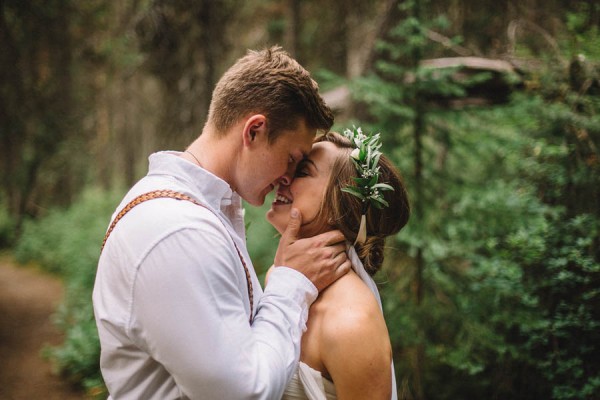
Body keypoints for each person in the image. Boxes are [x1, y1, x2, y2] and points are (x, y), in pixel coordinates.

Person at [93, 46, 352, 399]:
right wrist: (291, 283)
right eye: (291, 159)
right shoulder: (177, 229)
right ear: (254, 131)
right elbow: (245, 393)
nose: (287, 178)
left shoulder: (198, 213)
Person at [266, 129, 410, 400]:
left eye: (302, 172)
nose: (282, 177)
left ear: (338, 205)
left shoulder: (352, 322)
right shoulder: (280, 275)